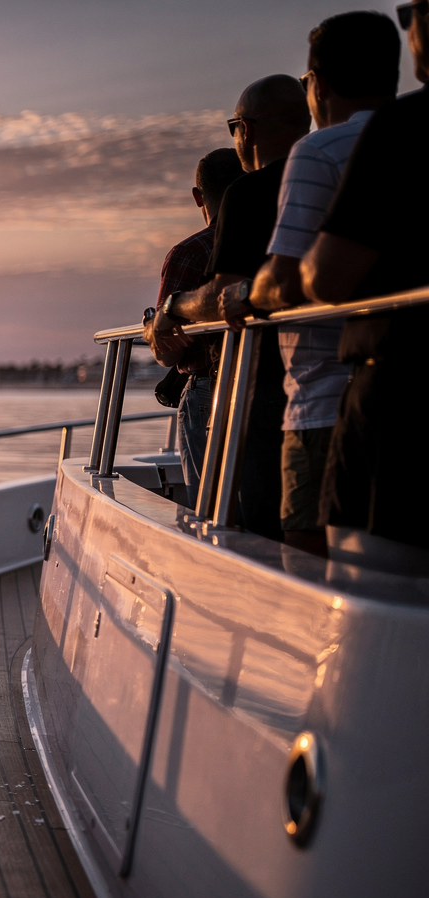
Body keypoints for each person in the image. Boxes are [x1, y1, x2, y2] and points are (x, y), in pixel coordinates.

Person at [246, 12, 400, 557]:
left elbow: (290, 279)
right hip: (404, 388)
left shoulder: (320, 151)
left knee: (311, 562)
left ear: (318, 84)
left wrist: (246, 295)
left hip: (325, 398)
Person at [149, 75, 310, 539]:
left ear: (249, 130)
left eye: (233, 125)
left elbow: (222, 298)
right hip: (327, 378)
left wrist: (171, 311)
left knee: (226, 518)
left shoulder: (244, 202)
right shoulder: (338, 176)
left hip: (247, 387)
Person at [302, 0, 429, 574]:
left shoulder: (403, 130)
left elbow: (328, 276)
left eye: (413, 11)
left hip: (403, 412)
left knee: (369, 602)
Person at [146, 148, 245, 498]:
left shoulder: (189, 253)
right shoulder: (278, 243)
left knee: (210, 508)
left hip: (208, 389)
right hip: (269, 386)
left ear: (197, 197)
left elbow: (167, 355)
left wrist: (155, 323)